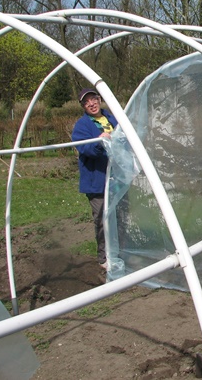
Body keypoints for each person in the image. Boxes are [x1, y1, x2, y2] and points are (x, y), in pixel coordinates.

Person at [72, 88, 118, 269]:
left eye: (93, 99)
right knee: (101, 219)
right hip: (96, 181)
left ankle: (121, 250)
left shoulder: (112, 118)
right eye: (86, 102)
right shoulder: (82, 126)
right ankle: (103, 257)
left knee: (121, 215)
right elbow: (86, 150)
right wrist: (100, 141)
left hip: (117, 178)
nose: (91, 104)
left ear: (99, 99)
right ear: (83, 106)